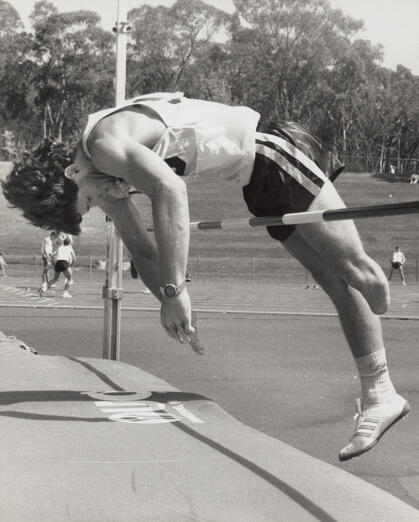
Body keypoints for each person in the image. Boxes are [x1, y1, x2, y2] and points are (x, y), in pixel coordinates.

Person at [1, 92, 410, 461]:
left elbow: (171, 191)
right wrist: (170, 306)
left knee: (359, 274)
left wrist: (176, 288)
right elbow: (142, 249)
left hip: (271, 152)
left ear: (73, 173)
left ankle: (381, 386)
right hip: (253, 180)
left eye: (88, 200)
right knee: (336, 281)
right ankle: (381, 395)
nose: (100, 203)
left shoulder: (105, 146)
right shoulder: (104, 177)